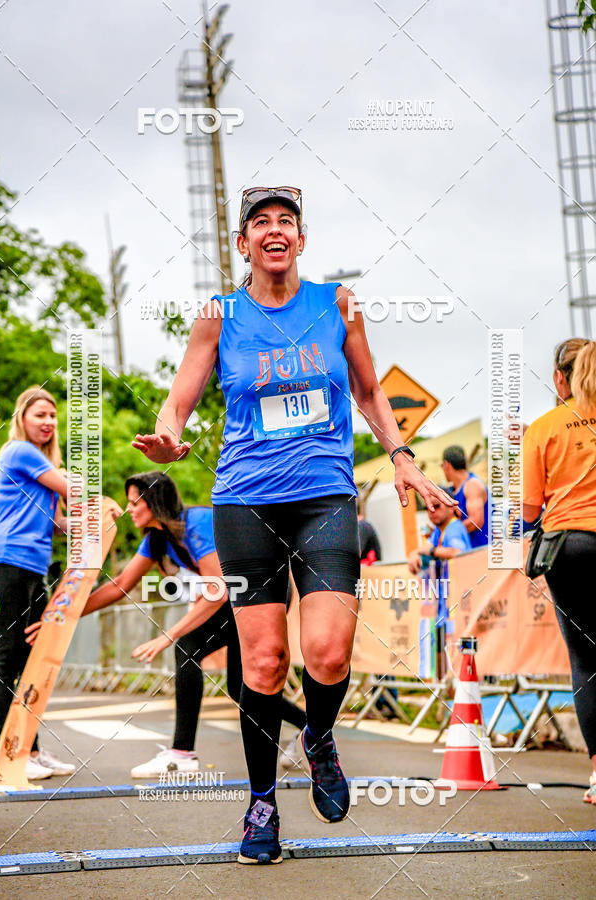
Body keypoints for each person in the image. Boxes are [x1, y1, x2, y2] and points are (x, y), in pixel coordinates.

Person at [133, 185, 455, 865]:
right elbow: (178, 402)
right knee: (265, 660)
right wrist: (168, 438)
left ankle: (318, 737)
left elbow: (369, 391)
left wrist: (401, 457)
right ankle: (260, 806)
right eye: (260, 222)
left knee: (330, 654)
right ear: (244, 245)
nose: (274, 230)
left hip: (325, 499)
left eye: (287, 221)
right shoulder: (219, 315)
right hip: (245, 502)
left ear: (301, 241)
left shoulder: (337, 305)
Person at [28, 471, 306, 777]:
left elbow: (218, 591)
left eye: (135, 503)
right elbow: (119, 585)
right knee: (242, 687)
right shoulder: (157, 540)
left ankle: (182, 753)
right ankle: (313, 733)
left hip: (262, 592)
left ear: (154, 502)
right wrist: (61, 618)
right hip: (236, 595)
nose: (130, 509)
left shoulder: (197, 523)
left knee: (186, 648)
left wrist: (166, 636)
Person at [523, 338, 596, 805]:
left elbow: (527, 512)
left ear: (559, 379)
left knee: (588, 663)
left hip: (572, 547)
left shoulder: (546, 427)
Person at [0, 388, 75, 780]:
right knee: (5, 658)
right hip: (8, 562)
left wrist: (101, 525)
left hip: (31, 566)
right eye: (39, 414)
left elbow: (59, 522)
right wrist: (99, 500)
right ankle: (4, 751)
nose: (47, 422)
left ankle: (29, 749)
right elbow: (75, 492)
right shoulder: (19, 451)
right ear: (22, 417)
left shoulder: (41, 464)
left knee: (31, 658)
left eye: (52, 416)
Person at [441, 445, 491, 547]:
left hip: (481, 552)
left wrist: (446, 534)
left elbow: (476, 522)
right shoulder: (453, 490)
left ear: (446, 465)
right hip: (467, 553)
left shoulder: (472, 485)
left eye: (441, 465)